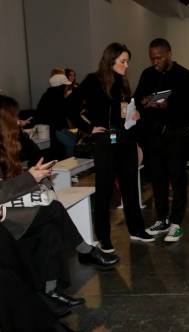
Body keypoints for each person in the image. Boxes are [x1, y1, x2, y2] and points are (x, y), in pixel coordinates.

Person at [1, 95, 118, 310]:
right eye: (14, 118)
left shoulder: (10, 143)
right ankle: (85, 250)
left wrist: (34, 174)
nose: (20, 122)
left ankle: (51, 291)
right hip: (5, 221)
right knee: (52, 210)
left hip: (13, 210)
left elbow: (34, 157)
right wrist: (30, 177)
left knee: (50, 228)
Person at [68, 43, 153, 253]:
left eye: (127, 61)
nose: (126, 65)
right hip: (106, 142)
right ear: (111, 60)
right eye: (123, 61)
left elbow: (122, 112)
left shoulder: (123, 84)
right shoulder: (93, 80)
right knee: (104, 191)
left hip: (126, 140)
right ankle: (104, 238)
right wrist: (88, 127)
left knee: (131, 188)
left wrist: (135, 114)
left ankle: (136, 229)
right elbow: (70, 106)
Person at [134, 38, 189, 243]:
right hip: (153, 136)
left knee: (177, 178)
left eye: (159, 58)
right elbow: (139, 99)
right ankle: (161, 219)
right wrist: (152, 100)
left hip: (176, 135)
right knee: (158, 178)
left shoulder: (184, 76)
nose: (155, 62)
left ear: (169, 53)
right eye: (152, 58)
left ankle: (176, 223)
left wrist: (167, 105)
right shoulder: (147, 74)